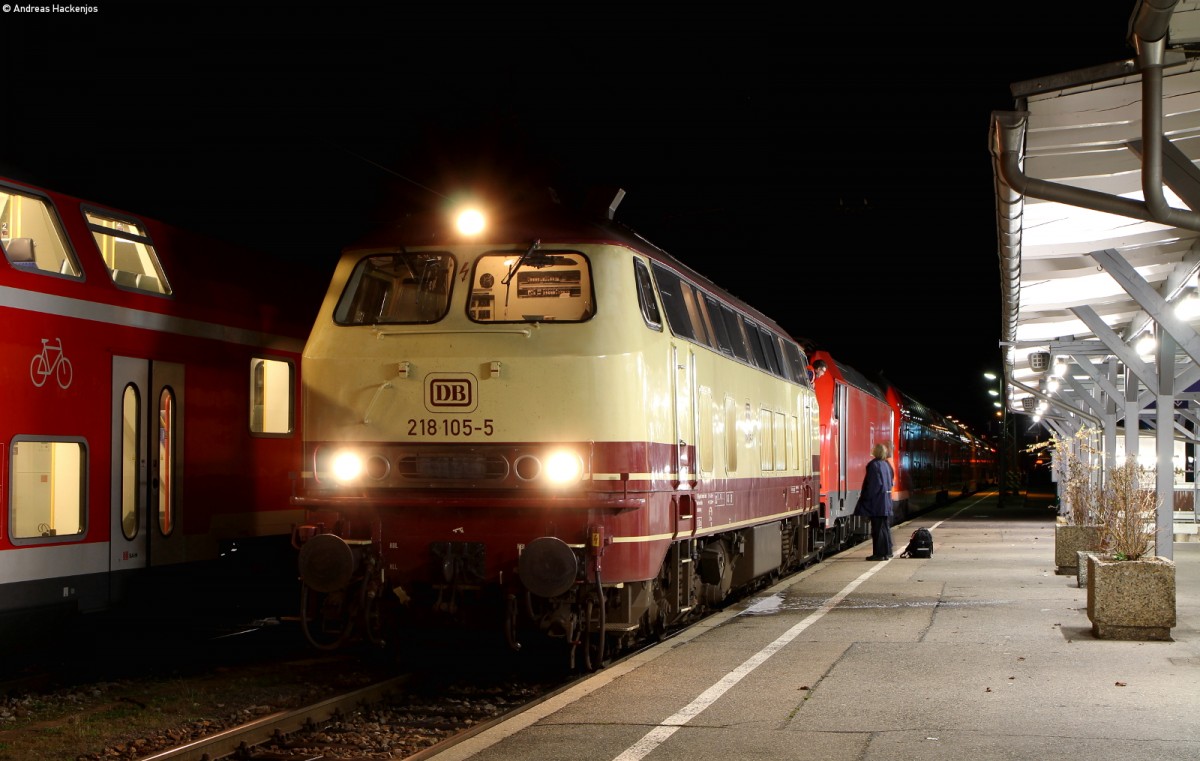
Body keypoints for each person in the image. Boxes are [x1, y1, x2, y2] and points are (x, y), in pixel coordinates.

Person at [856, 442, 894, 560]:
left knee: (877, 529)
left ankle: (879, 554)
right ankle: (887, 551)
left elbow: (874, 485)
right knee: (885, 527)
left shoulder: (874, 465)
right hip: (886, 501)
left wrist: (866, 499)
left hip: (877, 502)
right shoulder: (886, 465)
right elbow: (890, 482)